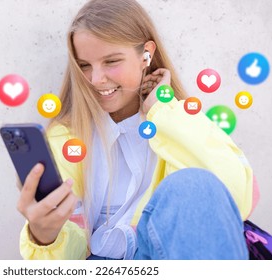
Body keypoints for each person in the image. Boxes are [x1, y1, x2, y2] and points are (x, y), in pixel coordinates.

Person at [17, 0, 257, 260]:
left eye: (111, 61)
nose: (96, 79)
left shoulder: (177, 121)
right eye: (84, 65)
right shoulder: (65, 139)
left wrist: (163, 111)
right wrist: (45, 236)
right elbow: (68, 258)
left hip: (163, 256)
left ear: (146, 55)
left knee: (194, 183)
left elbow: (233, 200)